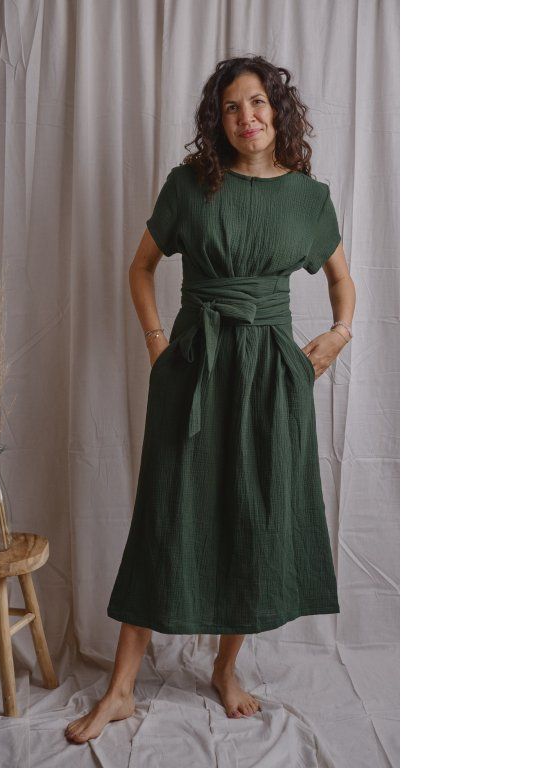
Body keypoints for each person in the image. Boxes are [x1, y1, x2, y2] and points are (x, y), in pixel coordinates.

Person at [65, 55, 356, 744]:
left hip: (272, 378)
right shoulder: (189, 185)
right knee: (166, 516)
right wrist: (157, 342)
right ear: (216, 120)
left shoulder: (309, 198)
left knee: (251, 515)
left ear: (277, 110)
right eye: (230, 107)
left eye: (256, 102)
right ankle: (121, 689)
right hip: (194, 368)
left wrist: (339, 334)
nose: (245, 117)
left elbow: (342, 281)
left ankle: (226, 669)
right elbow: (141, 266)